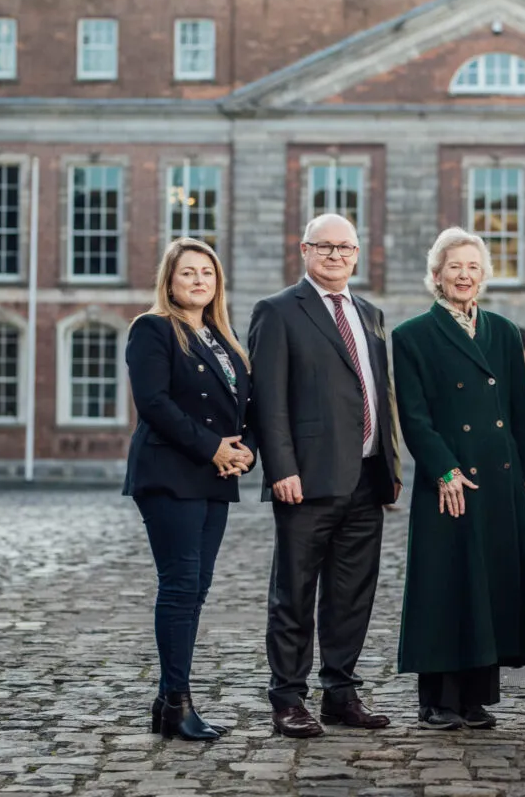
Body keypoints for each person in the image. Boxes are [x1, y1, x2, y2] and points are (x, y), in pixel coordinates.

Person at [248, 213, 402, 738]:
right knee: (294, 591)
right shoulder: (277, 311)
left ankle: (341, 692)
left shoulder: (370, 313)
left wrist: (391, 464)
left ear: (358, 254)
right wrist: (281, 469)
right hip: (307, 479)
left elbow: (380, 395)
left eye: (346, 247)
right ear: (304, 250)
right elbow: (267, 400)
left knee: (352, 592)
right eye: (325, 246)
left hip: (366, 476)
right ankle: (287, 697)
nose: (336, 255)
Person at [391, 227, 525, 730]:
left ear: (484, 275)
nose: (464, 275)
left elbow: (517, 412)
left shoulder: (502, 332)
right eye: (454, 267)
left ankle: (475, 697)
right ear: (436, 276)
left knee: (489, 584)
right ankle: (437, 700)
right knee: (446, 585)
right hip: (450, 478)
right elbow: (414, 418)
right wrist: (445, 471)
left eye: (473, 267)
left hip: (499, 479)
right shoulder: (412, 335)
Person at [123, 236, 255, 741]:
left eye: (207, 273)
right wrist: (212, 448)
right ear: (170, 282)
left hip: (213, 476)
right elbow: (154, 403)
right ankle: (177, 703)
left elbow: (245, 405)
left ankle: (167, 702)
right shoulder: (152, 329)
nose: (199, 281)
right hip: (169, 472)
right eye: (188, 273)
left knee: (195, 590)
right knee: (180, 587)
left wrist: (246, 451)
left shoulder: (224, 338)